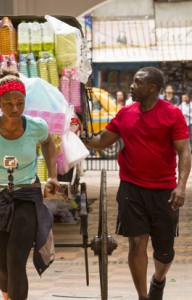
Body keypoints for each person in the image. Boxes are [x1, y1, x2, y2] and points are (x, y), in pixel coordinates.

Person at [83, 67, 191, 300]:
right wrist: (80, 135)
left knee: (164, 252)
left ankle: (159, 280)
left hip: (164, 191)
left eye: (137, 82)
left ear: (152, 87)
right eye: (132, 81)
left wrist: (181, 186)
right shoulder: (125, 114)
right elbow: (102, 141)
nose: (131, 86)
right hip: (131, 188)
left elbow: (184, 152)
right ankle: (142, 296)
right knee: (136, 243)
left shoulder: (172, 114)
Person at [0, 67, 60, 300]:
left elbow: (48, 143)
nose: (15, 108)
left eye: (20, 102)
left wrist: (52, 176)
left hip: (27, 196)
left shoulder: (36, 126)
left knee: (16, 260)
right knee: (3, 264)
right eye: (9, 104)